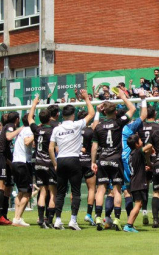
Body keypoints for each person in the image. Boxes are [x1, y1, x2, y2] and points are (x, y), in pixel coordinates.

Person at [49, 89, 95, 230]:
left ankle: (57, 220)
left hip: (61, 160)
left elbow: (51, 148)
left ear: (62, 115)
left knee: (61, 192)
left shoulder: (57, 129)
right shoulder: (77, 125)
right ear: (73, 115)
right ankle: (73, 220)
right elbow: (92, 114)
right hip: (74, 160)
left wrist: (55, 163)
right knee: (75, 191)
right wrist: (86, 98)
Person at [92, 90, 136, 231]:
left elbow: (94, 145)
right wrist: (123, 97)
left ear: (104, 112)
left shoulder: (98, 126)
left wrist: (93, 161)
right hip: (116, 160)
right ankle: (117, 219)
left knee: (101, 189)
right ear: (116, 112)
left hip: (103, 159)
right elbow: (132, 109)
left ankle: (98, 217)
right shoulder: (118, 123)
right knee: (117, 190)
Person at [0, 112, 23, 225]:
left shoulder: (3, 129)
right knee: (0, 186)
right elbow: (8, 136)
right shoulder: (10, 126)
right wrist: (21, 129)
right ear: (17, 119)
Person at [28, 96, 57, 229]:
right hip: (49, 164)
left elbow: (29, 118)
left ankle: (40, 219)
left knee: (43, 191)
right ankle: (49, 220)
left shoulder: (37, 129)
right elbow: (55, 148)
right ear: (50, 118)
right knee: (52, 192)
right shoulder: (52, 131)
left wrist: (34, 104)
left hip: (38, 163)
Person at [124, 134, 153, 233]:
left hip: (135, 182)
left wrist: (144, 167)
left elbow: (137, 167)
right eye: (140, 140)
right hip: (139, 182)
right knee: (138, 204)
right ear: (136, 144)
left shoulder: (132, 154)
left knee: (139, 204)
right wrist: (152, 139)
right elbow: (149, 146)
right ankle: (129, 225)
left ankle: (130, 224)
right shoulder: (137, 152)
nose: (142, 141)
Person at [137, 105, 159, 225]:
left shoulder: (140, 126)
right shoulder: (158, 127)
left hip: (142, 159)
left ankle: (144, 212)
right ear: (155, 114)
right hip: (156, 160)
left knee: (144, 187)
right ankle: (156, 216)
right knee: (157, 189)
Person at [11, 114, 34, 227]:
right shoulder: (29, 130)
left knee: (20, 191)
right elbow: (27, 142)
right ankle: (17, 218)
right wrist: (35, 133)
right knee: (27, 192)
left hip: (16, 161)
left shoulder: (20, 130)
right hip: (23, 163)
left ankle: (16, 217)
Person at [77, 110, 97, 225]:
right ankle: (88, 214)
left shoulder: (74, 130)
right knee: (91, 189)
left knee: (75, 189)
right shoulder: (90, 131)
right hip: (88, 161)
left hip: (77, 161)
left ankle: (73, 215)